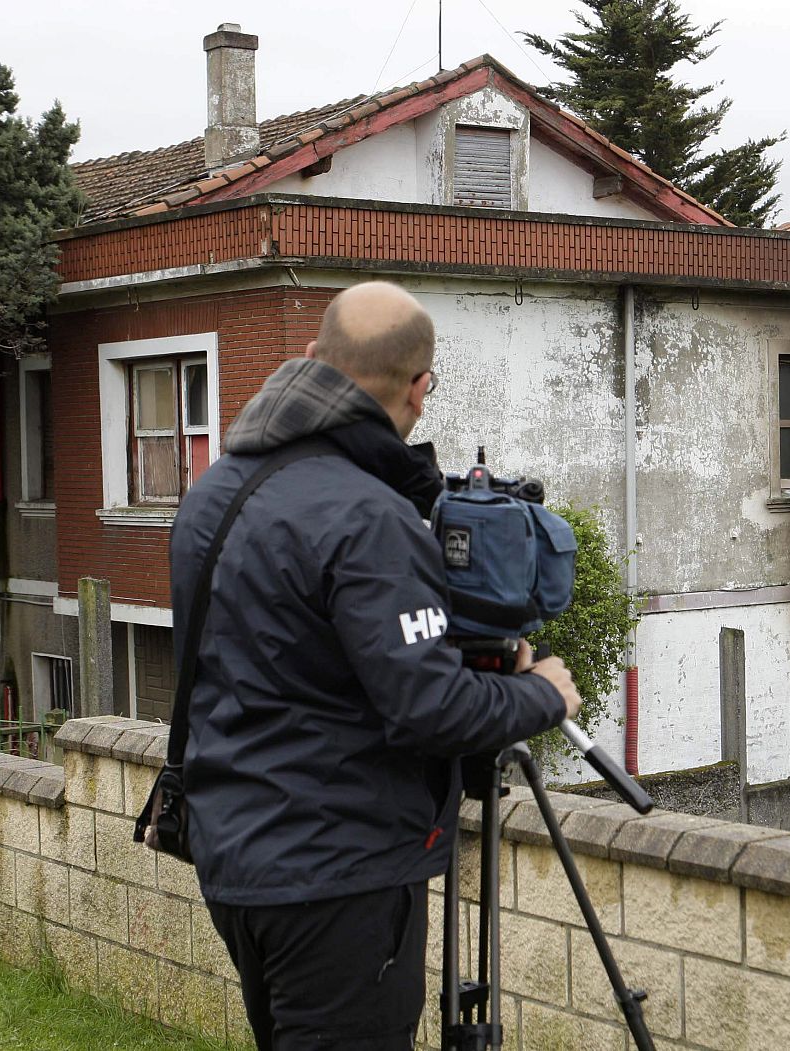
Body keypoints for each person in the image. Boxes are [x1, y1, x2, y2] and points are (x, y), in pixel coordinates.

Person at [171, 281, 581, 1050]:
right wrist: (537, 695)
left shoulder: (214, 492)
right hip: (338, 876)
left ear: (310, 358)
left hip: (236, 858)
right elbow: (427, 710)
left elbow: (293, 658)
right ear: (419, 389)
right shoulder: (368, 516)